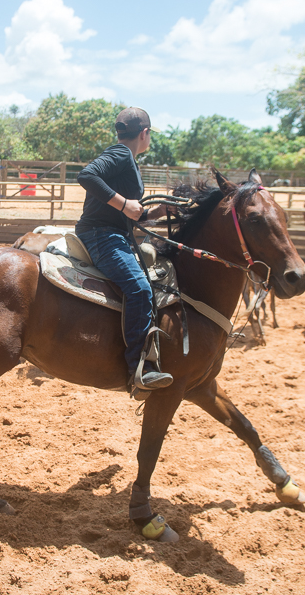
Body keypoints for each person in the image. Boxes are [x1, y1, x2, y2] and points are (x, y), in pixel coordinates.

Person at [76, 107, 174, 394]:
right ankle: (139, 368)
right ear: (145, 134)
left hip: (112, 232)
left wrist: (157, 210)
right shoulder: (120, 154)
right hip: (101, 235)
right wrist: (123, 203)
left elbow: (131, 215)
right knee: (139, 288)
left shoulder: (127, 160)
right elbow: (87, 175)